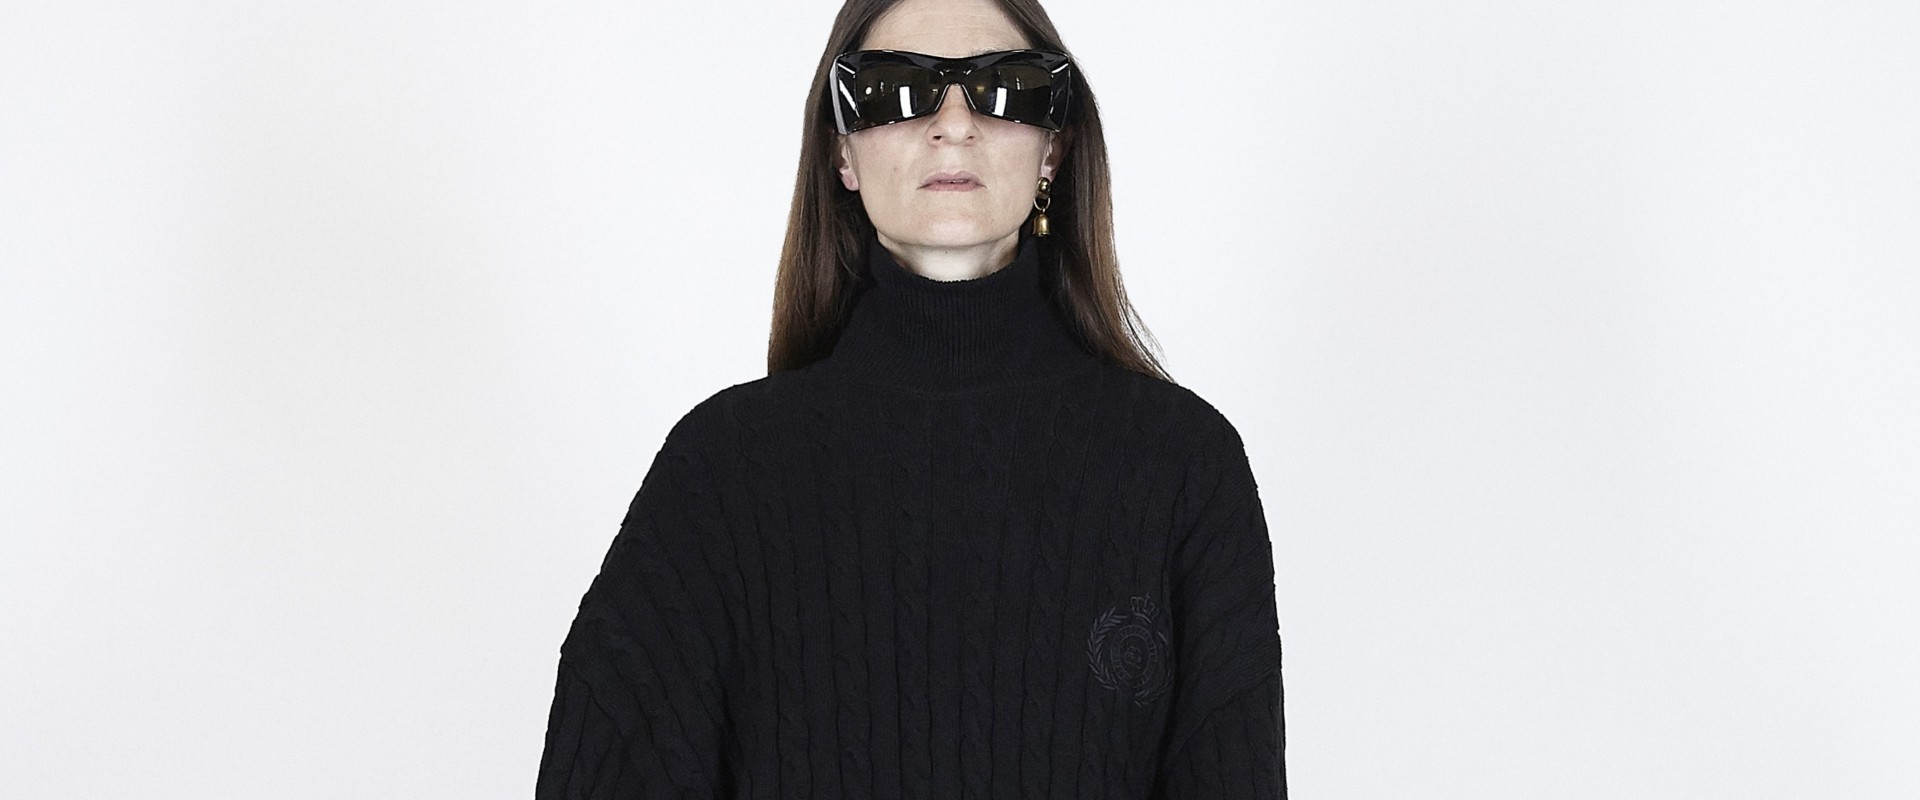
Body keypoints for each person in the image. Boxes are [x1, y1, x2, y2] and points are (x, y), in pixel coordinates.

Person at [534, 0, 1285, 796]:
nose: (953, 125)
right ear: (842, 152)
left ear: (1054, 149)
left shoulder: (1182, 468)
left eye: (1007, 86)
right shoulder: (721, 472)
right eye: (894, 87)